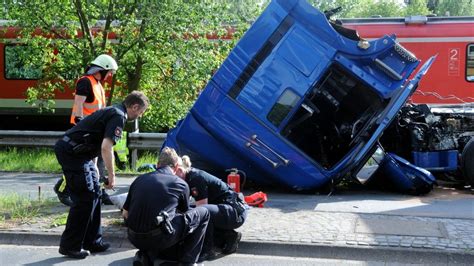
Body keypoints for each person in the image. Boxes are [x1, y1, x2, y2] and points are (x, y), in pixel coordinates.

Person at [55, 90, 149, 259]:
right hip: (72, 153)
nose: (140, 116)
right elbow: (106, 146)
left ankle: (93, 241)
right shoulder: (119, 116)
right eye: (141, 112)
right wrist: (112, 176)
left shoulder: (113, 111)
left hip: (80, 154)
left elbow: (94, 138)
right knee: (84, 198)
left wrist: (94, 166)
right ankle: (70, 246)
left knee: (95, 194)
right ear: (135, 107)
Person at [123, 147, 210, 266]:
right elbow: (183, 213)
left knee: (155, 223)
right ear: (176, 167)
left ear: (157, 164)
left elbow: (125, 213)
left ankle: (146, 255)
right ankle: (188, 261)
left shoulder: (139, 179)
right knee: (204, 212)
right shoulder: (180, 183)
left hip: (133, 237)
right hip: (160, 237)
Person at [54, 54, 118, 207]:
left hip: (94, 131)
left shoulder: (97, 84)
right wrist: (80, 123)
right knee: (79, 164)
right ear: (101, 70)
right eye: (108, 72)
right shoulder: (85, 82)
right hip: (83, 131)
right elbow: (78, 105)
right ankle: (62, 189)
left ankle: (98, 192)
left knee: (95, 164)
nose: (109, 76)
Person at [176, 156, 248, 260]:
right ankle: (228, 236)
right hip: (228, 209)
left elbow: (202, 210)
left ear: (180, 170)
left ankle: (207, 250)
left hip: (235, 211)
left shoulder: (195, 178)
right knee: (193, 210)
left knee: (202, 211)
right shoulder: (189, 177)